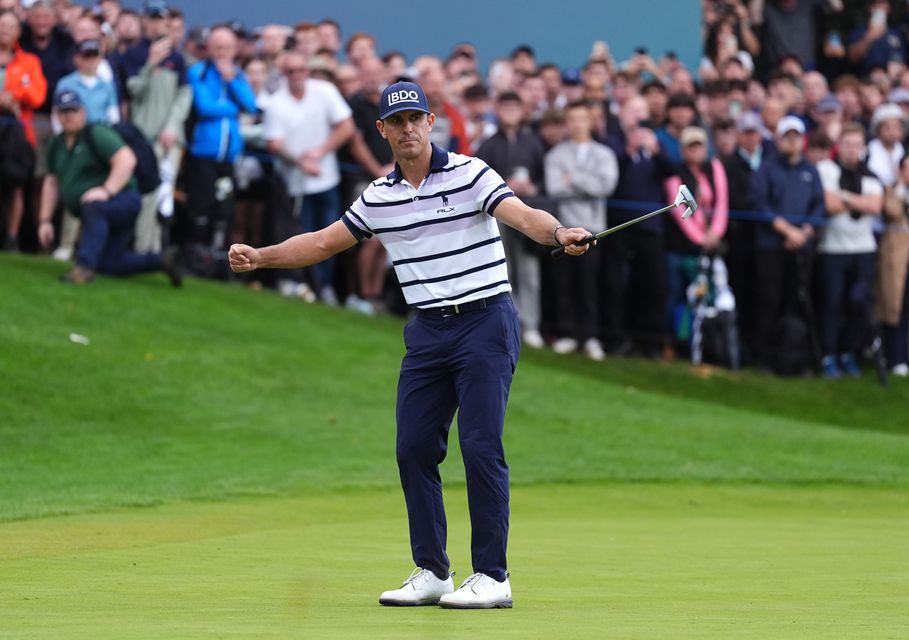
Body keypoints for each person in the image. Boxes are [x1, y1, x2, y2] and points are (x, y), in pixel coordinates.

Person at [228, 80, 595, 609]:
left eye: (414, 119)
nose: (407, 129)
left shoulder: (470, 173)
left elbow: (523, 216)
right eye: (395, 122)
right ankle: (434, 570)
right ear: (382, 131)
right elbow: (322, 242)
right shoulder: (380, 197)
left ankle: (493, 575)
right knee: (413, 449)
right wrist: (261, 257)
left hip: (485, 321)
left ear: (431, 122)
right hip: (427, 331)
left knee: (480, 445)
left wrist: (558, 233)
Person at [36, 90, 179, 285]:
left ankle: (84, 268)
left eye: (73, 110)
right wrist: (45, 220)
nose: (69, 116)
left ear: (83, 112)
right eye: (64, 111)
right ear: (57, 115)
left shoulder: (96, 133)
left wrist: (106, 190)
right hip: (102, 209)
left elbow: (126, 159)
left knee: (94, 205)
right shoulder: (56, 144)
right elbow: (52, 182)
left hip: (123, 199)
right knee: (111, 264)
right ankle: (162, 260)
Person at [263, 50, 355, 305]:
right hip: (296, 184)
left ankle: (323, 286)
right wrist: (301, 162)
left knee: (333, 236)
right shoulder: (277, 102)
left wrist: (320, 153)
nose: (297, 76)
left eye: (301, 70)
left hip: (328, 179)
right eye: (291, 72)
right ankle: (305, 284)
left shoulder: (324, 91)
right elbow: (273, 143)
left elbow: (346, 127)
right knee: (302, 235)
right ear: (284, 74)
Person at [544, 100, 619, 360]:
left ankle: (590, 336)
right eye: (572, 119)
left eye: (582, 118)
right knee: (564, 283)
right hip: (563, 227)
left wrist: (573, 178)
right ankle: (567, 333)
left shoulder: (604, 154)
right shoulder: (556, 155)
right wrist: (588, 181)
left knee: (590, 285)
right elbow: (555, 188)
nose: (577, 124)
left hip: (594, 230)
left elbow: (606, 186)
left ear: (591, 121)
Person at [751, 115, 826, 370]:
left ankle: (795, 358)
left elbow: (818, 205)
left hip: (802, 247)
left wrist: (803, 232)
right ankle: (765, 358)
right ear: (779, 139)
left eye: (796, 137)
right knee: (769, 301)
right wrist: (787, 231)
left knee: (798, 301)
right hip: (771, 246)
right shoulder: (767, 167)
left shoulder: (810, 170)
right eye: (787, 137)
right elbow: (760, 204)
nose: (792, 142)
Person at [476, 91, 548, 349]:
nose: (509, 111)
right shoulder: (488, 144)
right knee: (503, 271)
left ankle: (531, 325)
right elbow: (477, 182)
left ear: (522, 110)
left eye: (514, 106)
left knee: (529, 272)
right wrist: (503, 187)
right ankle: (509, 323)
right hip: (498, 218)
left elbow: (543, 179)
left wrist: (532, 188)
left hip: (530, 215)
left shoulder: (533, 142)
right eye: (504, 106)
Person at [184, 24, 257, 277]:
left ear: (234, 49)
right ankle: (193, 259)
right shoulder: (198, 72)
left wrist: (232, 82)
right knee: (200, 207)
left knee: (224, 208)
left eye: (226, 47)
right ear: (209, 48)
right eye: (217, 47)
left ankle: (218, 265)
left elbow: (251, 104)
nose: (222, 52)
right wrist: (232, 107)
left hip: (229, 155)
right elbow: (204, 107)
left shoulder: (237, 74)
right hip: (203, 153)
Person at [120, 0, 191, 253]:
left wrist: (172, 126)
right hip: (141, 138)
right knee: (142, 195)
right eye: (152, 18)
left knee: (162, 198)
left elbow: (184, 97)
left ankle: (152, 249)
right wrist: (150, 65)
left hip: (168, 140)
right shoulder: (133, 54)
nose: (157, 23)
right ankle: (142, 249)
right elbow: (133, 91)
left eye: (161, 19)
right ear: (145, 21)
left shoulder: (176, 58)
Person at [815, 123, 883, 378]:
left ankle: (849, 352)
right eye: (847, 145)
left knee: (859, 303)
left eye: (857, 145)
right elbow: (829, 205)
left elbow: (876, 207)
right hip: (833, 249)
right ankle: (829, 355)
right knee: (832, 303)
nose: (852, 150)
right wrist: (858, 202)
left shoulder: (871, 176)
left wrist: (843, 196)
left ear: (863, 148)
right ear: (839, 146)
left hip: (863, 249)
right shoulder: (826, 169)